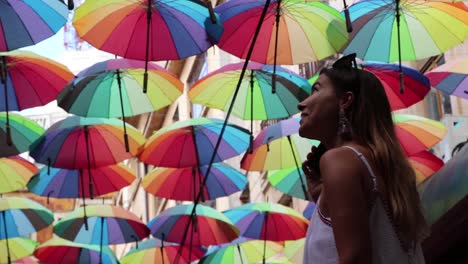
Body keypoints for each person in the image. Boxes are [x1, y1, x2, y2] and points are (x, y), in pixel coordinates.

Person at [298, 53, 427, 264]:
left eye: (316, 90)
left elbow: (355, 259)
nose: (302, 104)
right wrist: (325, 198)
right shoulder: (381, 165)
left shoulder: (338, 160)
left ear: (345, 100)